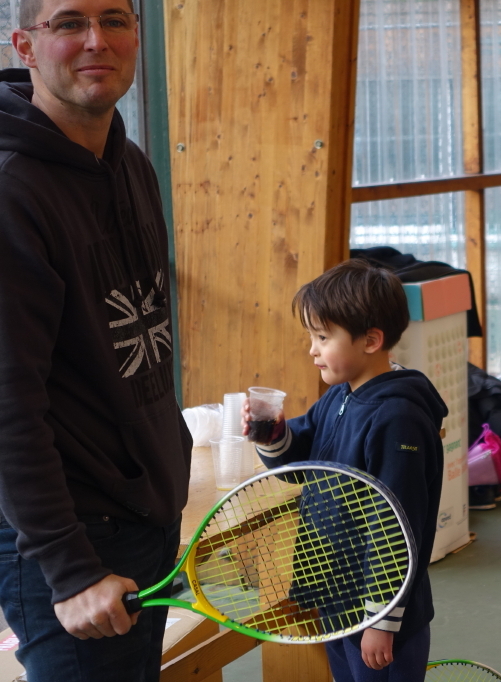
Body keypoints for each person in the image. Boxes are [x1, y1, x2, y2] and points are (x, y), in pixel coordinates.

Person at [0, 0, 192, 679]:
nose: (95, 41)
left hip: (145, 517)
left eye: (114, 20)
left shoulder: (130, 163)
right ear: (25, 45)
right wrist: (72, 567)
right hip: (72, 539)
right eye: (68, 23)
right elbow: (7, 405)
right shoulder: (12, 191)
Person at [243, 259, 446, 682]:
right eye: (311, 336)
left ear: (371, 340)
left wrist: (382, 620)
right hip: (337, 601)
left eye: (322, 337)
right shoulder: (340, 396)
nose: (312, 349)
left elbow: (397, 527)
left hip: (379, 615)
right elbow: (300, 463)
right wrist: (273, 433)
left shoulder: (398, 419)